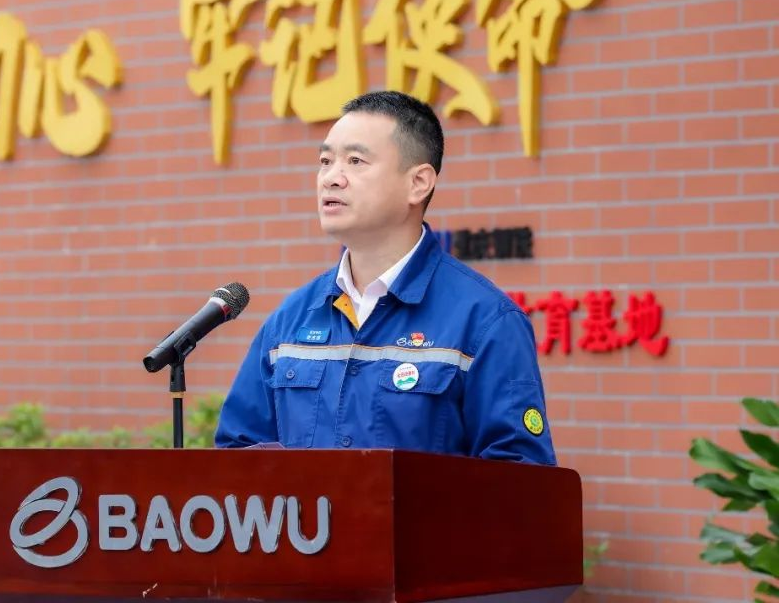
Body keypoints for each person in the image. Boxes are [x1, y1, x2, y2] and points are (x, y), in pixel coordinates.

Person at [215, 90, 556, 465]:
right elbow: (236, 456)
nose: (331, 178)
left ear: (418, 183)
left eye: (355, 161)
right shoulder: (291, 320)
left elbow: (520, 478)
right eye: (325, 161)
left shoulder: (486, 321)